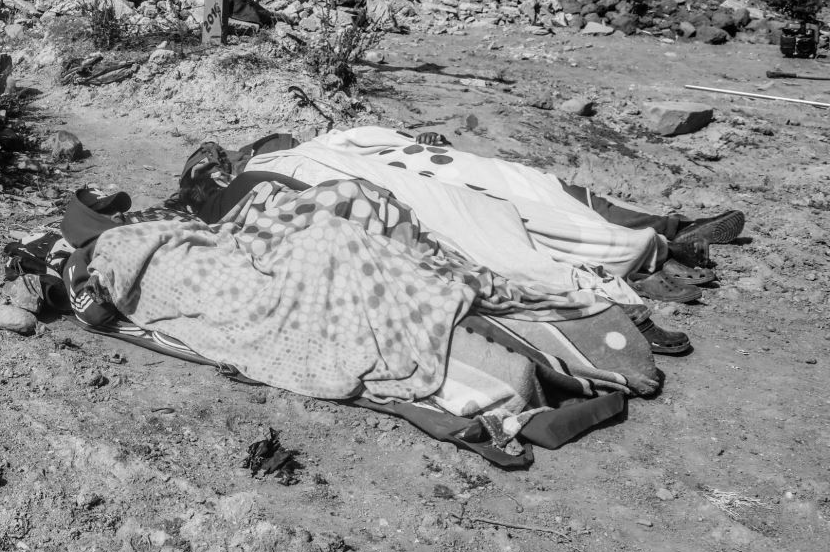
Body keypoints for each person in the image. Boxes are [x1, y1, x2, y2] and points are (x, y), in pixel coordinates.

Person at [170, 130, 743, 357]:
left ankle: (659, 244)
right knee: (497, 236)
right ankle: (625, 284)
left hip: (418, 179)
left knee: (524, 199)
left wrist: (415, 145)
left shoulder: (330, 140)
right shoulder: (264, 173)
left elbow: (388, 144)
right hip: (398, 196)